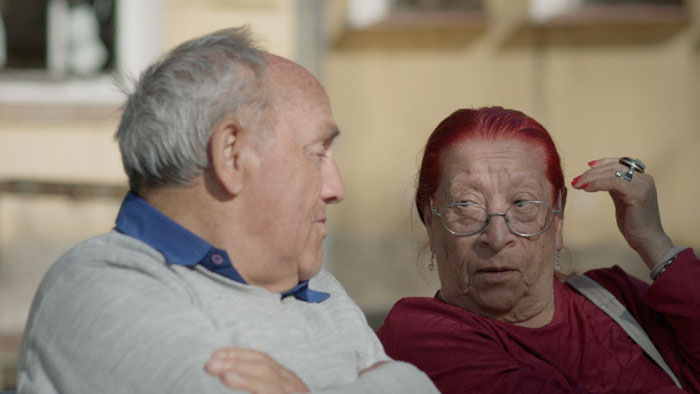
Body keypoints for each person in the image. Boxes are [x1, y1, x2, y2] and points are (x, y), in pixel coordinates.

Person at [16, 27, 438, 394]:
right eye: (318, 153)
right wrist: (393, 380)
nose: (336, 189)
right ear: (231, 154)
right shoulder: (101, 290)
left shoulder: (316, 286)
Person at [377, 106, 700, 393]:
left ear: (557, 218)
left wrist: (655, 244)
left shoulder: (616, 297)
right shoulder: (423, 336)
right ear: (429, 223)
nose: (497, 235)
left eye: (522, 203)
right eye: (466, 205)